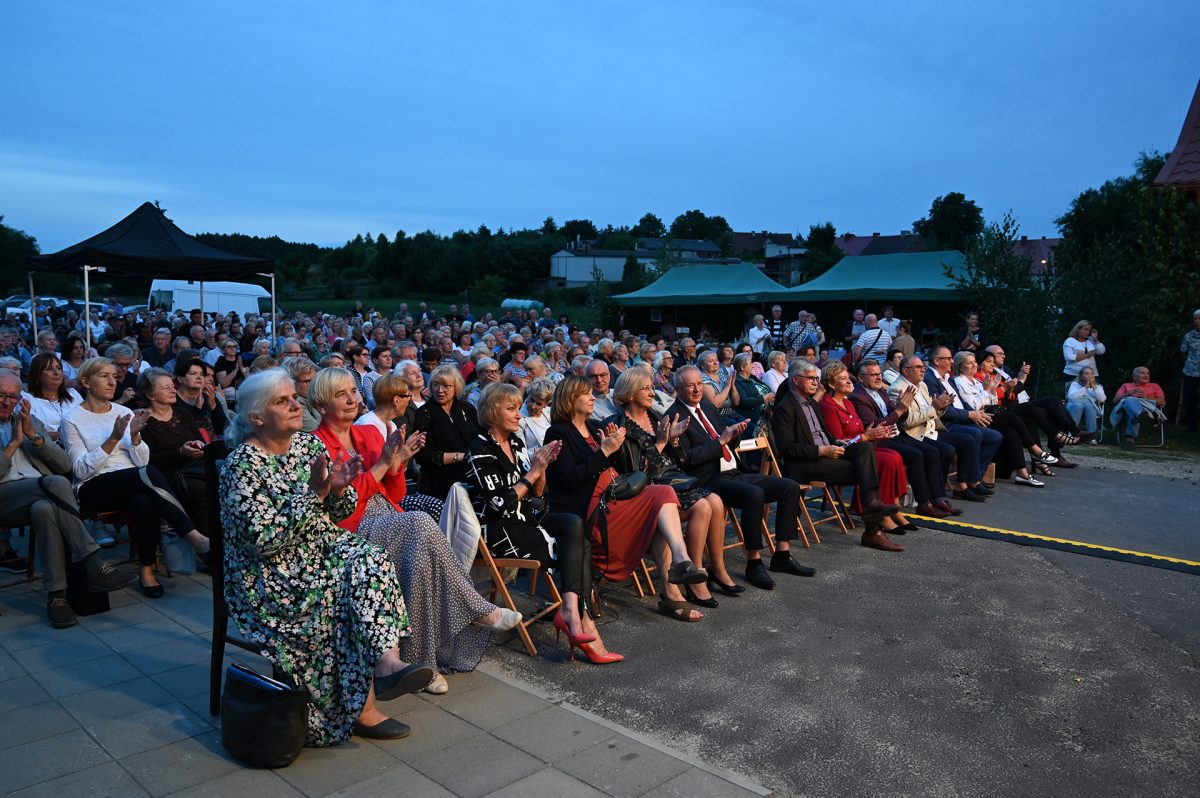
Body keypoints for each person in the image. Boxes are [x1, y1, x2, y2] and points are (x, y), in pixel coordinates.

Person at [219, 368, 433, 744]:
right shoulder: (242, 466)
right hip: (270, 575)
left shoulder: (306, 447)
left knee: (370, 559)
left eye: (293, 397)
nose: (294, 405)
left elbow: (341, 512)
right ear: (256, 417)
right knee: (344, 587)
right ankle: (360, 710)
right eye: (281, 401)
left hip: (318, 552)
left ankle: (387, 664)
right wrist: (316, 495)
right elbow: (264, 541)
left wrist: (336, 490)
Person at [311, 368, 513, 694]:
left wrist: (398, 462)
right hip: (350, 528)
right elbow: (341, 504)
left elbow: (394, 493)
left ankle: (422, 664)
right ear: (321, 405)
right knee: (420, 522)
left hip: (387, 514)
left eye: (353, 390)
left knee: (420, 554)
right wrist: (381, 466)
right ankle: (475, 609)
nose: (352, 398)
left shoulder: (365, 435)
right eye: (341, 394)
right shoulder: (318, 444)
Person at [467, 382, 616, 662]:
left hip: (527, 520)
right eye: (510, 409)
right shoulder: (479, 449)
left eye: (517, 408)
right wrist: (534, 472)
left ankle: (572, 609)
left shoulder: (515, 442)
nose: (519, 415)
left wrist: (542, 468)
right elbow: (499, 503)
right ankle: (582, 620)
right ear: (491, 412)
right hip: (502, 531)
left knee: (575, 525)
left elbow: (537, 492)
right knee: (576, 541)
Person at [545, 376, 708, 623]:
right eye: (586, 394)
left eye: (591, 393)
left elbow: (618, 468)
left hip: (614, 498)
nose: (593, 398)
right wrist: (606, 451)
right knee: (661, 501)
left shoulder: (592, 427)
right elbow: (570, 480)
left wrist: (615, 448)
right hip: (594, 510)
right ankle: (674, 583)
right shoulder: (557, 432)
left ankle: (680, 563)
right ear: (570, 399)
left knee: (663, 496)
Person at [60, 358, 211, 597]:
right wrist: (113, 439)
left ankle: (146, 571)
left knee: (145, 500)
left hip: (133, 479)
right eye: (104, 376)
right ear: (86, 381)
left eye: (113, 376)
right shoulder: (71, 419)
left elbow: (141, 460)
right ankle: (192, 535)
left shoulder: (123, 412)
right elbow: (80, 471)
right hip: (94, 486)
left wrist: (135, 437)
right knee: (149, 475)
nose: (112, 381)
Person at [0, 370, 135, 627]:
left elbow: (64, 464)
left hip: (39, 496)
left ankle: (57, 597)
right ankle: (94, 562)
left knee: (44, 510)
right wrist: (14, 444)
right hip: (4, 498)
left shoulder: (28, 419)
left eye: (13, 396)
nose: (7, 402)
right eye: (1, 395)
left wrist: (33, 436)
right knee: (56, 484)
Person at [670, 365, 811, 589]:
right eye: (690, 385)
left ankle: (782, 555)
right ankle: (754, 562)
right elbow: (685, 460)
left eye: (699, 384)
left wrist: (734, 434)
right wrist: (721, 442)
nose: (697, 389)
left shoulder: (706, 406)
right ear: (677, 388)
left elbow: (725, 440)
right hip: (708, 480)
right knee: (753, 495)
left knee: (789, 487)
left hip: (734, 471)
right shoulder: (675, 415)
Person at [610, 368, 732, 607]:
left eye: (651, 387)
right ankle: (693, 573)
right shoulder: (620, 426)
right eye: (646, 388)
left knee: (715, 501)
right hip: (649, 489)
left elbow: (678, 460)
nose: (652, 392)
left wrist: (674, 440)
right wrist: (662, 442)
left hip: (674, 479)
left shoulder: (656, 416)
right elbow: (635, 472)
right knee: (703, 508)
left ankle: (715, 568)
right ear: (630, 393)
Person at [772, 359, 904, 551]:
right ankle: (872, 529)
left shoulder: (812, 403)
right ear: (795, 380)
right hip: (807, 462)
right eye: (810, 378)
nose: (815, 382)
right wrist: (822, 450)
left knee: (865, 449)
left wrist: (836, 442)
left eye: (817, 379)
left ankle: (871, 507)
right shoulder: (785, 408)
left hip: (827, 453)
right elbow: (787, 449)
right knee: (865, 471)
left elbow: (825, 434)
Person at [818, 362, 913, 534]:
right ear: (831, 384)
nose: (849, 382)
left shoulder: (847, 403)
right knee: (889, 459)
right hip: (848, 453)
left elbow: (861, 429)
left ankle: (894, 508)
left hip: (863, 446)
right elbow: (838, 442)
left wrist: (875, 434)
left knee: (895, 455)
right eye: (843, 379)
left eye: (848, 378)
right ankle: (881, 515)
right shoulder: (828, 406)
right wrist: (867, 436)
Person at [951, 352, 1048, 486]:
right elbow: (972, 407)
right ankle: (1035, 450)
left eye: (974, 361)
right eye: (969, 363)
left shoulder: (977, 381)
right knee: (1012, 416)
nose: (974, 365)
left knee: (1010, 430)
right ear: (960, 367)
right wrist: (986, 391)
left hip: (986, 415)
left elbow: (992, 402)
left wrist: (992, 390)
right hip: (974, 419)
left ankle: (1022, 473)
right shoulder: (959, 382)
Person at [137, 368, 212, 536]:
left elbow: (200, 439)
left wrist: (198, 445)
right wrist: (180, 452)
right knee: (200, 488)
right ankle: (207, 542)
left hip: (196, 467)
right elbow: (149, 460)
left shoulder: (183, 413)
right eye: (166, 387)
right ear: (150, 395)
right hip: (168, 474)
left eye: (172, 386)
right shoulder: (143, 421)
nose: (173, 390)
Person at [923, 346, 1002, 493]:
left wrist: (973, 413)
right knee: (974, 434)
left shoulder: (948, 379)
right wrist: (969, 415)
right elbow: (942, 409)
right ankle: (967, 482)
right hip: (945, 423)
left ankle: (975, 476)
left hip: (959, 419)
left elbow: (961, 403)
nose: (951, 361)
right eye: (948, 358)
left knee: (995, 436)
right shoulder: (930, 379)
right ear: (936, 360)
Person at [414, 364, 478, 502]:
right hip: (438, 483)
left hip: (469, 477)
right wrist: (459, 456)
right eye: (436, 385)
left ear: (456, 388)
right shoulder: (424, 413)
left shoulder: (468, 409)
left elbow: (479, 439)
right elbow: (422, 456)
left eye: (446, 386)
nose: (440, 390)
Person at [23, 352, 83, 441]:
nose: (56, 372)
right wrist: (68, 434)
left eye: (59, 368)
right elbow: (33, 433)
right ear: (37, 374)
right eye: (49, 369)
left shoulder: (72, 393)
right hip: (48, 451)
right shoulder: (28, 400)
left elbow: (87, 421)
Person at [1110, 367, 1166, 449]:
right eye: (1142, 373)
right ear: (1134, 376)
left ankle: (1130, 439)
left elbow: (1163, 402)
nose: (1146, 375)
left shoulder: (1155, 386)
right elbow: (1115, 401)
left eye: (1147, 373)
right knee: (1130, 400)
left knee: (1132, 410)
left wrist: (1147, 396)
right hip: (1130, 410)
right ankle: (1139, 416)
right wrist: (1127, 394)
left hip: (1148, 410)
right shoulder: (1126, 385)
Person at [731, 352, 775, 429]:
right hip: (750, 422)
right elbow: (744, 401)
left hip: (764, 417)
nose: (753, 365)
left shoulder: (752, 378)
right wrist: (764, 398)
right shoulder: (737, 381)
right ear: (742, 367)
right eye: (750, 363)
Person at [1066, 366, 1106, 437]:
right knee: (1078, 406)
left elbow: (1102, 399)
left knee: (1089, 406)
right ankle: (1072, 434)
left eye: (1092, 373)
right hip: (1075, 407)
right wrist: (1085, 388)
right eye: (1087, 374)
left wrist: (1094, 387)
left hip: (1091, 408)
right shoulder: (1075, 384)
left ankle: (1091, 436)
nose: (1090, 376)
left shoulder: (1098, 386)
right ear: (1081, 376)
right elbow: (1071, 397)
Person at [697, 350, 736, 417]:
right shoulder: (702, 379)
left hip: (732, 412)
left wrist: (732, 386)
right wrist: (728, 387)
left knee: (751, 426)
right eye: (711, 361)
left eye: (716, 360)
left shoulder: (721, 373)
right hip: (717, 416)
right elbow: (715, 405)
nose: (715, 363)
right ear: (703, 366)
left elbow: (736, 402)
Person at [519, 377, 554, 449]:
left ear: (546, 404)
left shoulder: (550, 412)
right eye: (531, 400)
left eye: (539, 404)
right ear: (528, 395)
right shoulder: (519, 419)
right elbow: (522, 452)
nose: (533, 406)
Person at [1181, 309, 1200, 435]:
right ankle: (1191, 428)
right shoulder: (1189, 336)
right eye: (1195, 319)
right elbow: (1183, 352)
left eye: (1199, 318)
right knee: (1190, 400)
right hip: (1190, 372)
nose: (1197, 321)